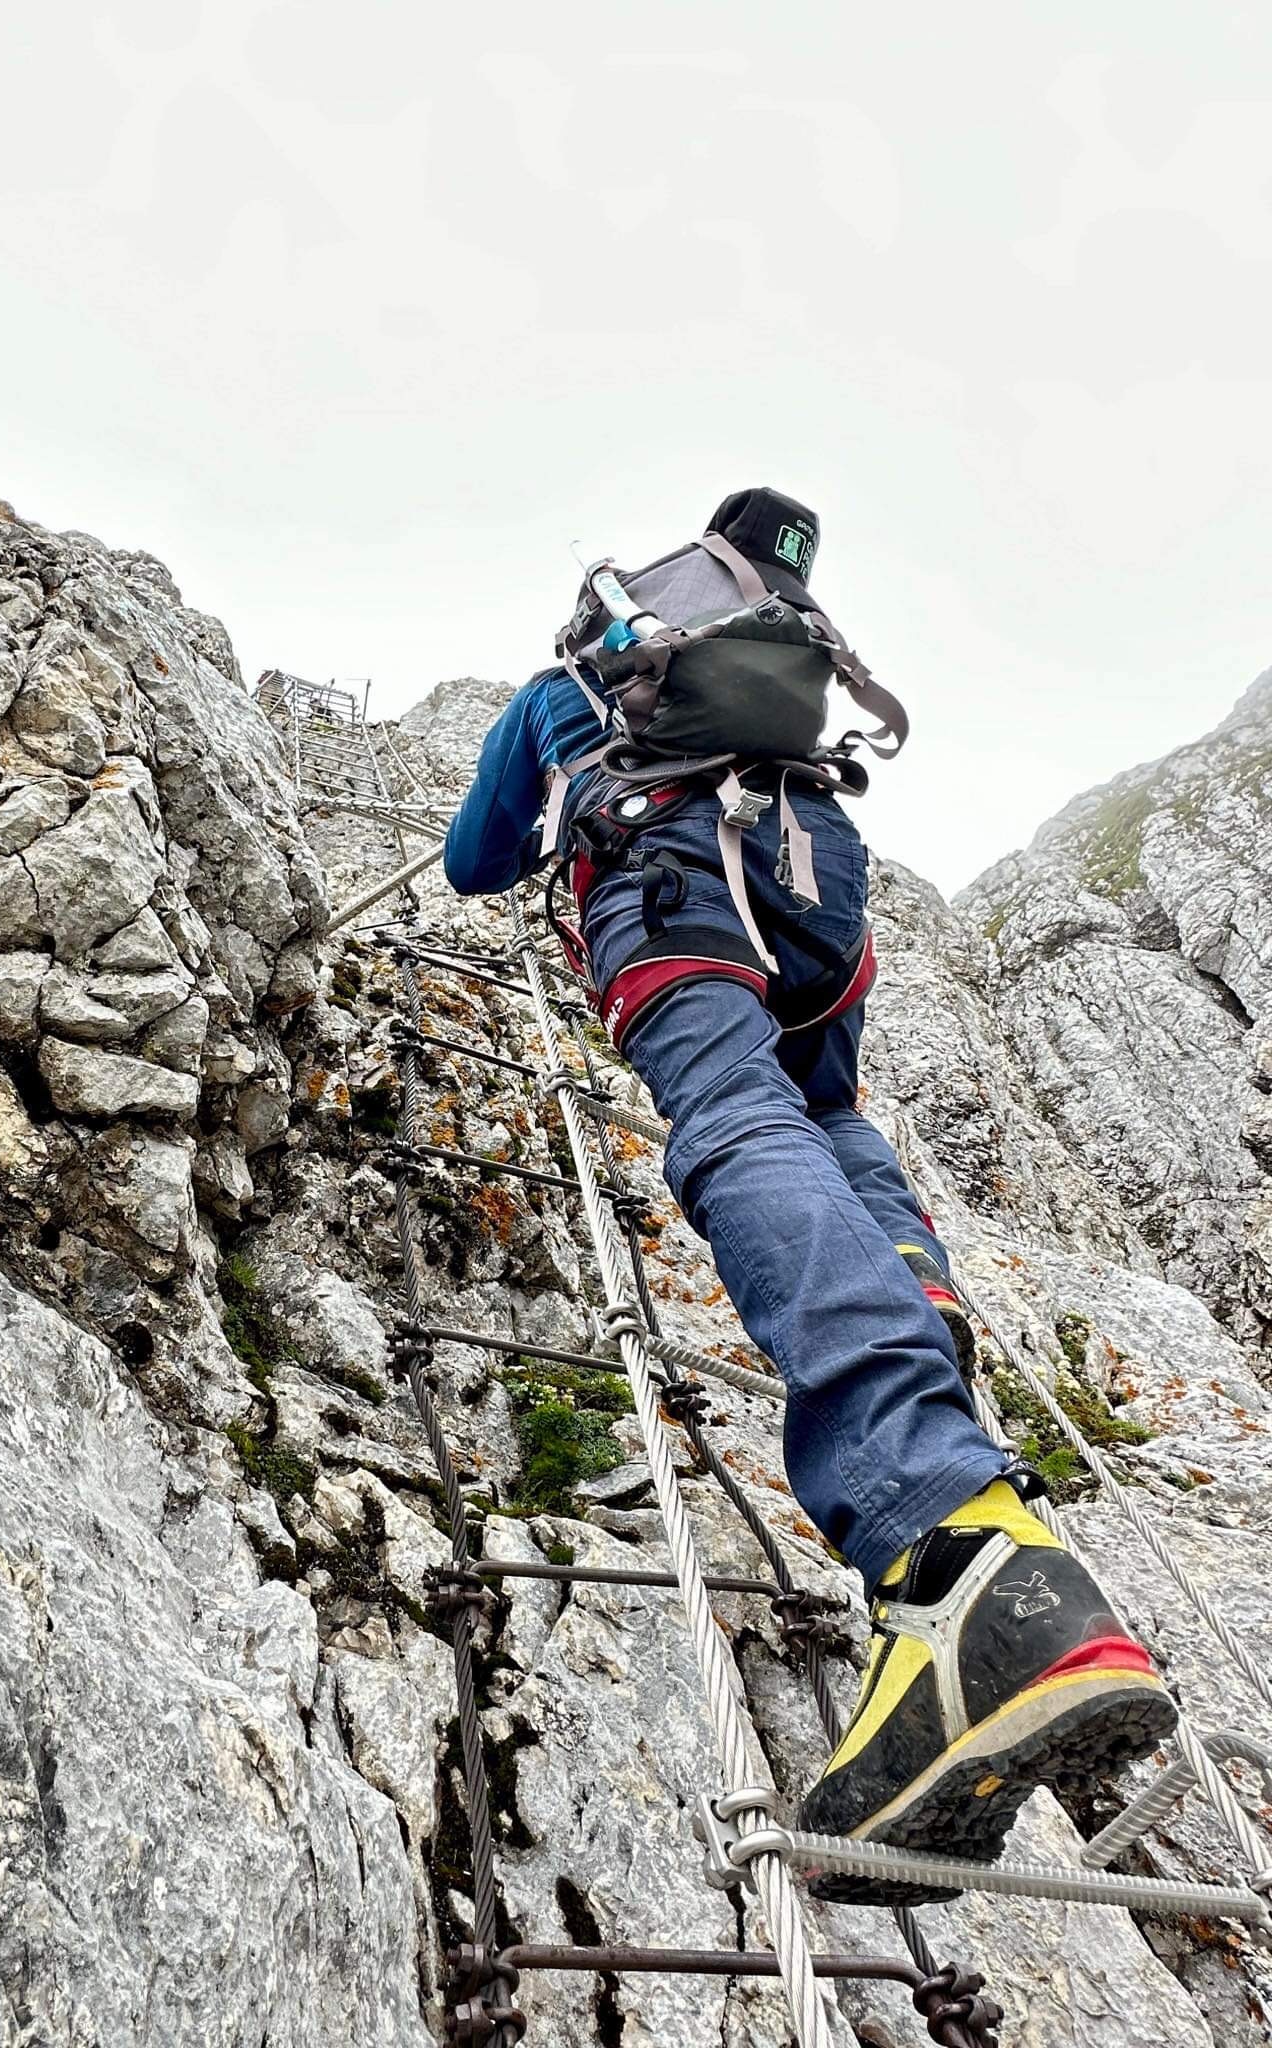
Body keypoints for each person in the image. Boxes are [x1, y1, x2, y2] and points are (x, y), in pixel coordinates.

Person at [443, 491, 1175, 1903]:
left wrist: (549, 769)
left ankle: (950, 1547)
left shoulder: (576, 687)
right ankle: (927, 1337)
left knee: (731, 1114)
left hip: (670, 871)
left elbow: (483, 860)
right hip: (822, 896)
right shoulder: (788, 685)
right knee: (826, 1116)